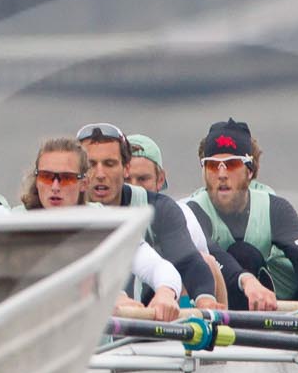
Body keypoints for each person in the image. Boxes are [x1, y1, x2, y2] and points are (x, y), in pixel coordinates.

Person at [183, 117, 298, 314]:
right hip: (237, 296)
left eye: (232, 164)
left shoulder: (275, 207)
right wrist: (247, 281)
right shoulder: (192, 211)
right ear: (203, 171)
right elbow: (212, 252)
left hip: (281, 297)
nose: (222, 174)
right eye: (213, 166)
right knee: (242, 253)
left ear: (250, 171)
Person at [19, 136, 182, 322]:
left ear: (84, 183)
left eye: (66, 179)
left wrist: (165, 294)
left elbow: (157, 267)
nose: (55, 187)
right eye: (47, 177)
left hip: (99, 349)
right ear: (37, 179)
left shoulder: (103, 224)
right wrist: (110, 296)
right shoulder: (13, 223)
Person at [76, 121, 227, 310]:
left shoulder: (160, 208)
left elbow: (188, 262)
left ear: (126, 168)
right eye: (91, 165)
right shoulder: (60, 209)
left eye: (109, 164)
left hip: (149, 307)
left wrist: (204, 299)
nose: (99, 174)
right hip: (82, 311)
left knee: (208, 264)